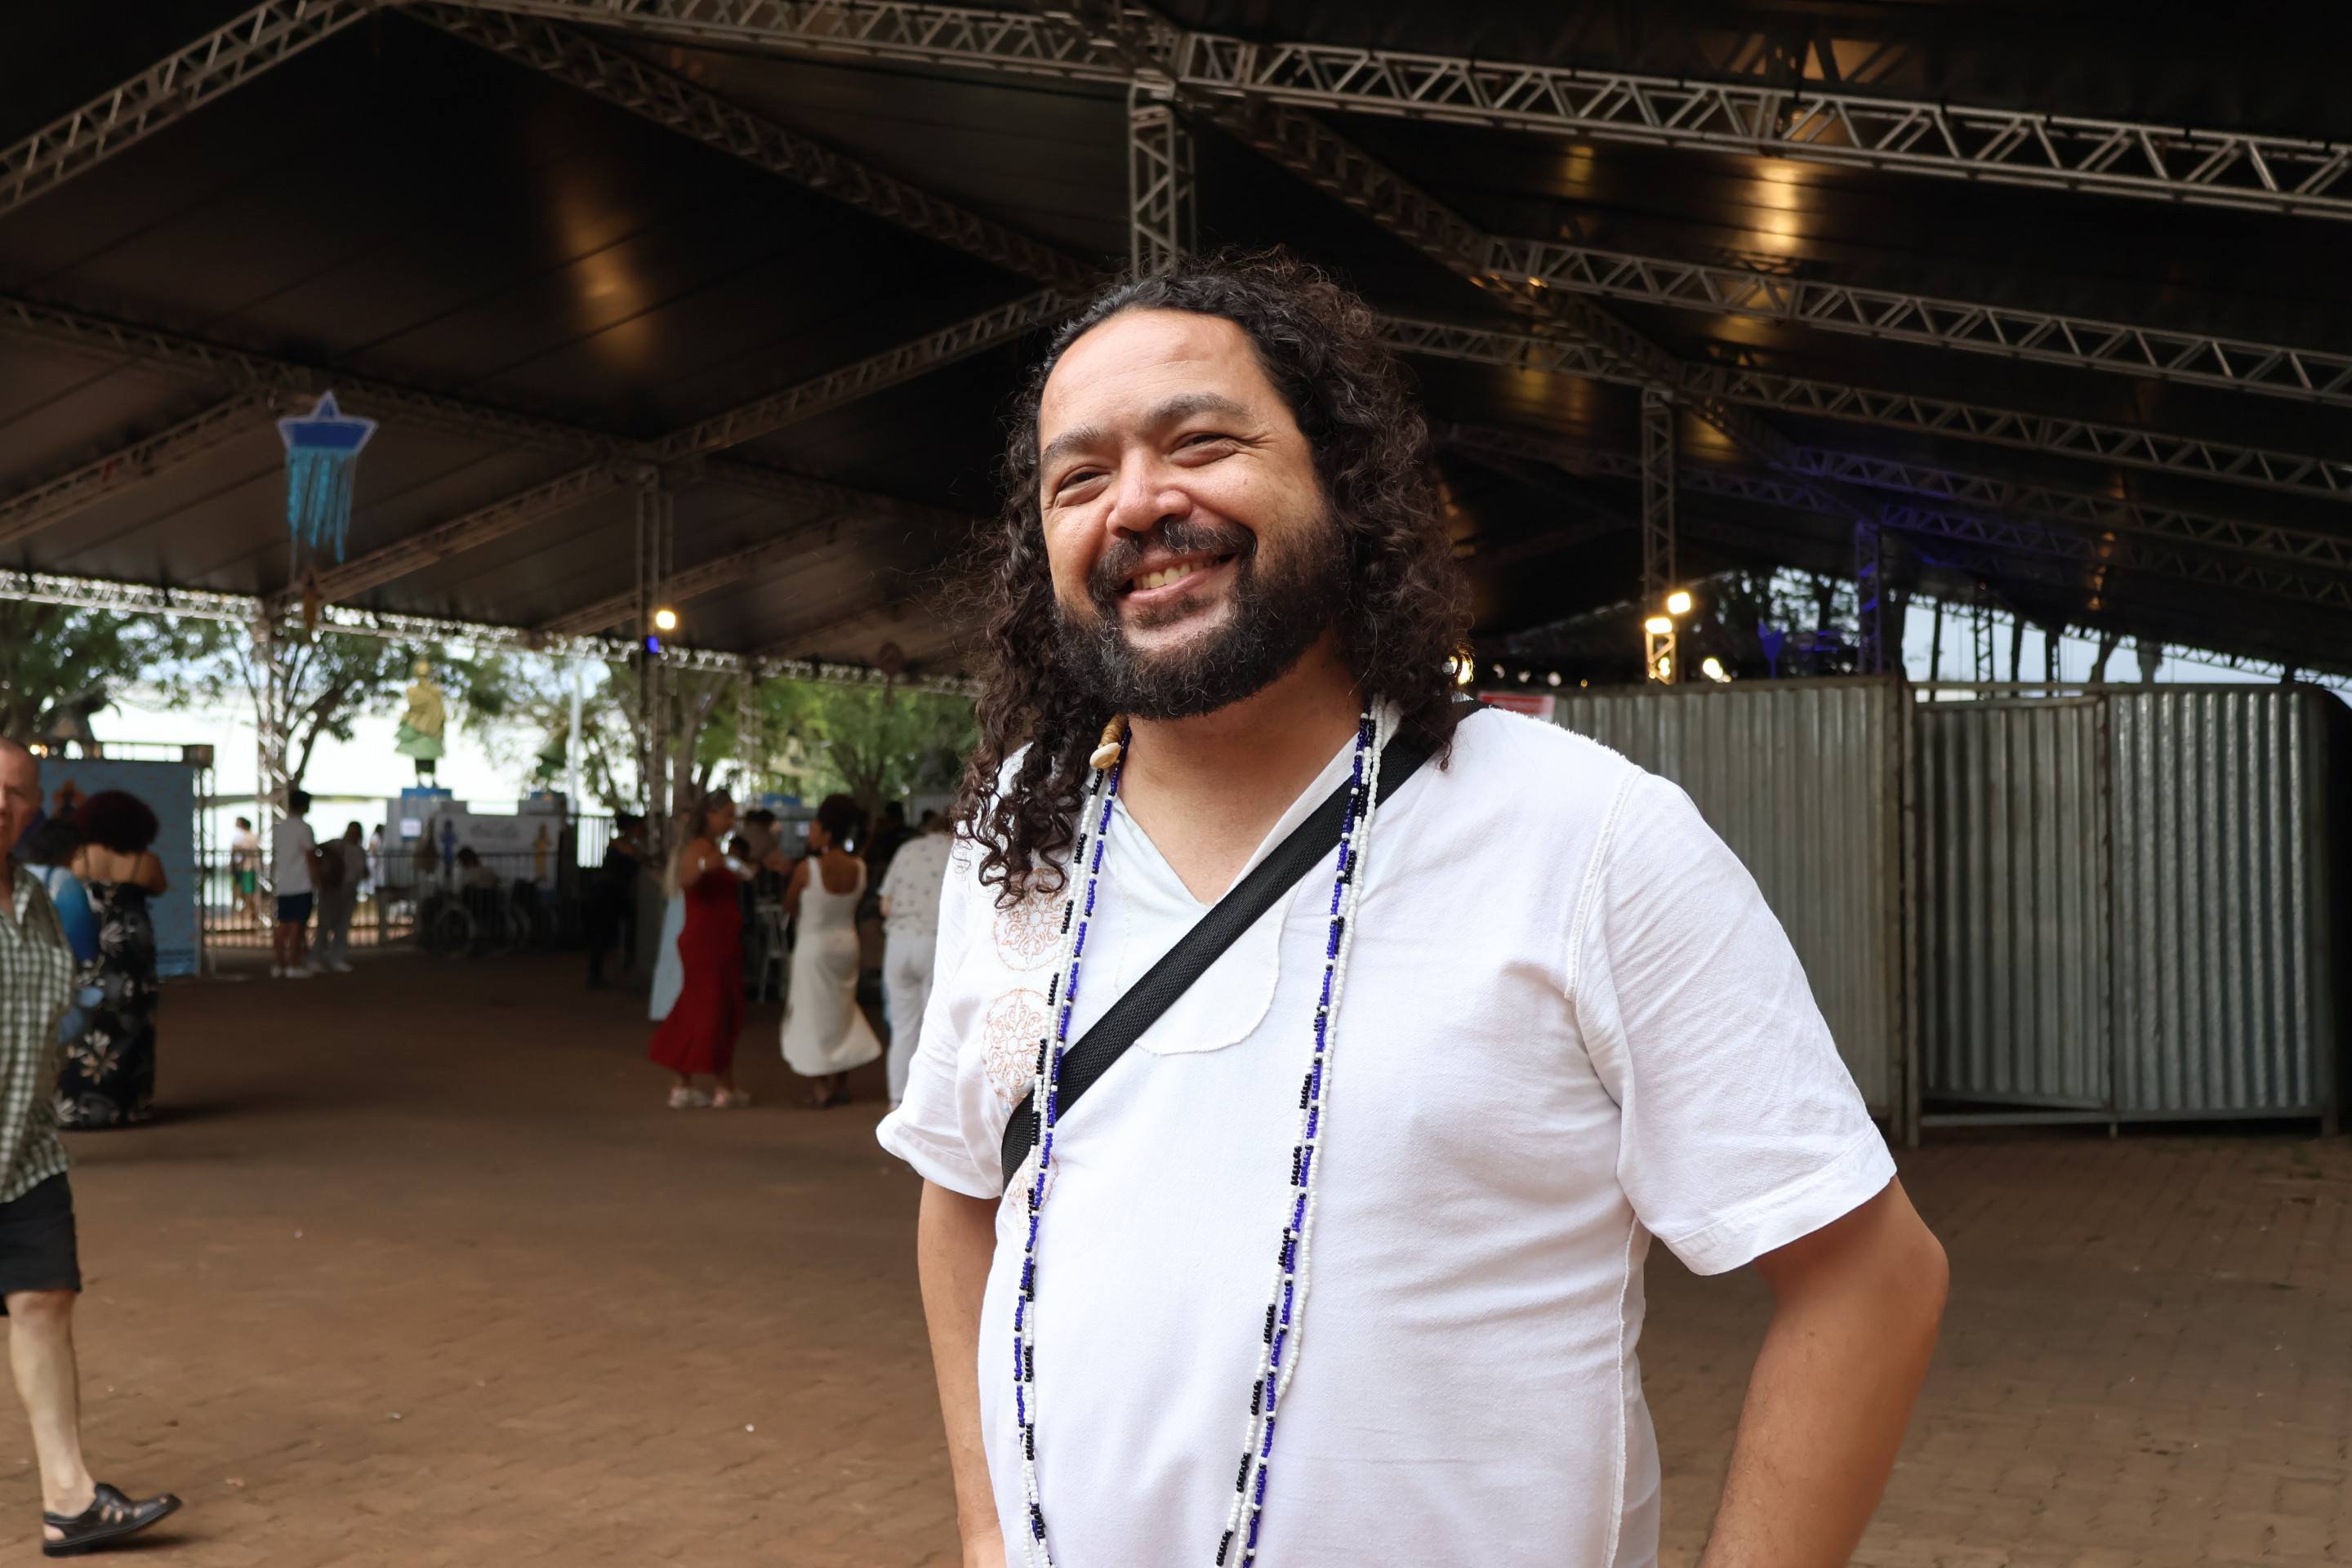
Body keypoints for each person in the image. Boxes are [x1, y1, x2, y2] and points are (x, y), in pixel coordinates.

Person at [875, 254, 1949, 1568]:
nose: (1140, 503)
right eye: (1079, 477)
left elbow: (1870, 1280)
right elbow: (960, 1195)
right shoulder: (1022, 845)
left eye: (1200, 444)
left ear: (1342, 476)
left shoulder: (1587, 836)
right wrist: (989, 1533)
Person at [0, 742, 180, 1553]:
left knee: (44, 1301)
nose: (5, 805)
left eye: (18, 794)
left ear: (35, 810)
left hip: (26, 1146)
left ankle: (70, 1502)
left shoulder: (41, 901)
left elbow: (64, 1005)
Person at [57, 793, 167, 1129]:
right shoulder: (144, 862)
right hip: (130, 956)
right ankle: (128, 1104)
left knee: (88, 1027)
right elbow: (159, 887)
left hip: (91, 953)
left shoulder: (79, 859)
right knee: (132, 1026)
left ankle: (75, 1105)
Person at [647, 791, 751, 1111]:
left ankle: (689, 1083)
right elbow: (687, 881)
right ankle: (721, 1085)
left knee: (708, 1009)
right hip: (707, 943)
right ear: (711, 815)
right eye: (727, 815)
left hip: (717, 941)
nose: (732, 822)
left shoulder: (712, 849)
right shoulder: (697, 850)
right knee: (714, 1010)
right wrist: (707, 865)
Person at [776, 794, 880, 1109]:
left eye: (814, 827)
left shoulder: (808, 869)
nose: (810, 833)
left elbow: (789, 905)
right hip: (847, 943)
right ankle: (840, 1082)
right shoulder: (859, 867)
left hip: (814, 944)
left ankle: (821, 1085)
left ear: (827, 832)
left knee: (812, 1012)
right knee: (842, 1011)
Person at [875, 813, 952, 1108]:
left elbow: (885, 906)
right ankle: (929, 1105)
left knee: (903, 1027)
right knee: (937, 1028)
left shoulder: (906, 851)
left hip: (898, 945)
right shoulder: (957, 851)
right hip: (935, 944)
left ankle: (898, 1100)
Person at [586, 814, 644, 989]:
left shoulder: (622, 845)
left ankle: (601, 972)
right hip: (608, 894)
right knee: (603, 935)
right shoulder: (622, 846)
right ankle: (599, 973)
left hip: (611, 894)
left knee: (605, 934)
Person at [269, 791, 319, 981]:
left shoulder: (279, 828)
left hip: (284, 883)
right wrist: (317, 879)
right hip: (301, 883)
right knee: (297, 926)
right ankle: (293, 964)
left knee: (283, 925)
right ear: (304, 806)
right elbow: (310, 856)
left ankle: (279, 964)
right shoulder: (304, 828)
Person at [312, 823, 367, 974]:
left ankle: (336, 958)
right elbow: (318, 848)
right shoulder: (337, 844)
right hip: (333, 890)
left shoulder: (360, 851)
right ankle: (316, 958)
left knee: (342, 927)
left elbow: (362, 871)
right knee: (325, 926)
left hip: (349, 891)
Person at [227, 816, 264, 927]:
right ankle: (245, 913)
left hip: (245, 869)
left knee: (246, 892)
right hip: (245, 869)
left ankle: (245, 914)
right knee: (244, 891)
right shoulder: (250, 836)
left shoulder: (247, 837)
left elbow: (242, 851)